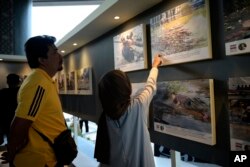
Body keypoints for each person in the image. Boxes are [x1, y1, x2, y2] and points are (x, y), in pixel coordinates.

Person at [0, 35, 66, 167]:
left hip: (48, 157)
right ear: (42, 60)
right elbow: (20, 123)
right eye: (54, 52)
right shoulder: (38, 82)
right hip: (40, 160)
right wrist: (12, 152)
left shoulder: (44, 80)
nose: (60, 56)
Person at [94, 54, 162, 167]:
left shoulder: (105, 117)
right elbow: (150, 85)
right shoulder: (138, 105)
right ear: (125, 87)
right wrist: (155, 66)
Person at [0, 73, 21, 145]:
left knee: (10, 141)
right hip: (19, 120)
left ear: (7, 82)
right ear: (18, 82)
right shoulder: (21, 92)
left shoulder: (2, 93)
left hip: (6, 121)